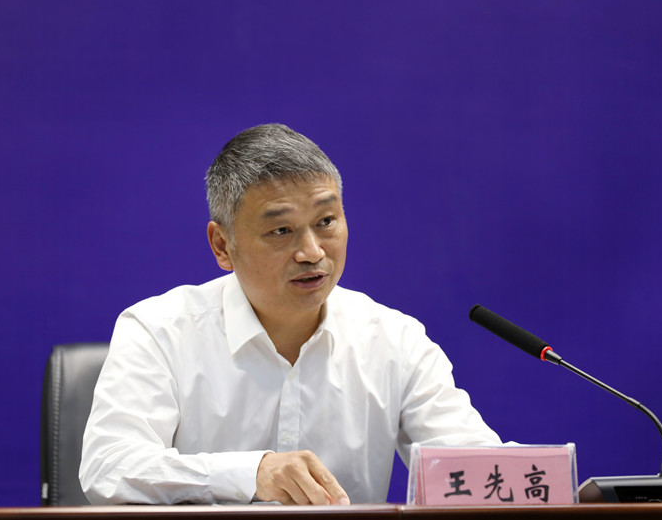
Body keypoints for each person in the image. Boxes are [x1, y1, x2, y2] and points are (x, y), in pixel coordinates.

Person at [79, 123, 502, 506]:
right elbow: (109, 466)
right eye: (281, 230)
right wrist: (251, 473)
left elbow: (478, 470)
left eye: (326, 221)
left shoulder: (394, 340)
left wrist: (540, 483)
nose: (312, 252)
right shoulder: (159, 331)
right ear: (223, 246)